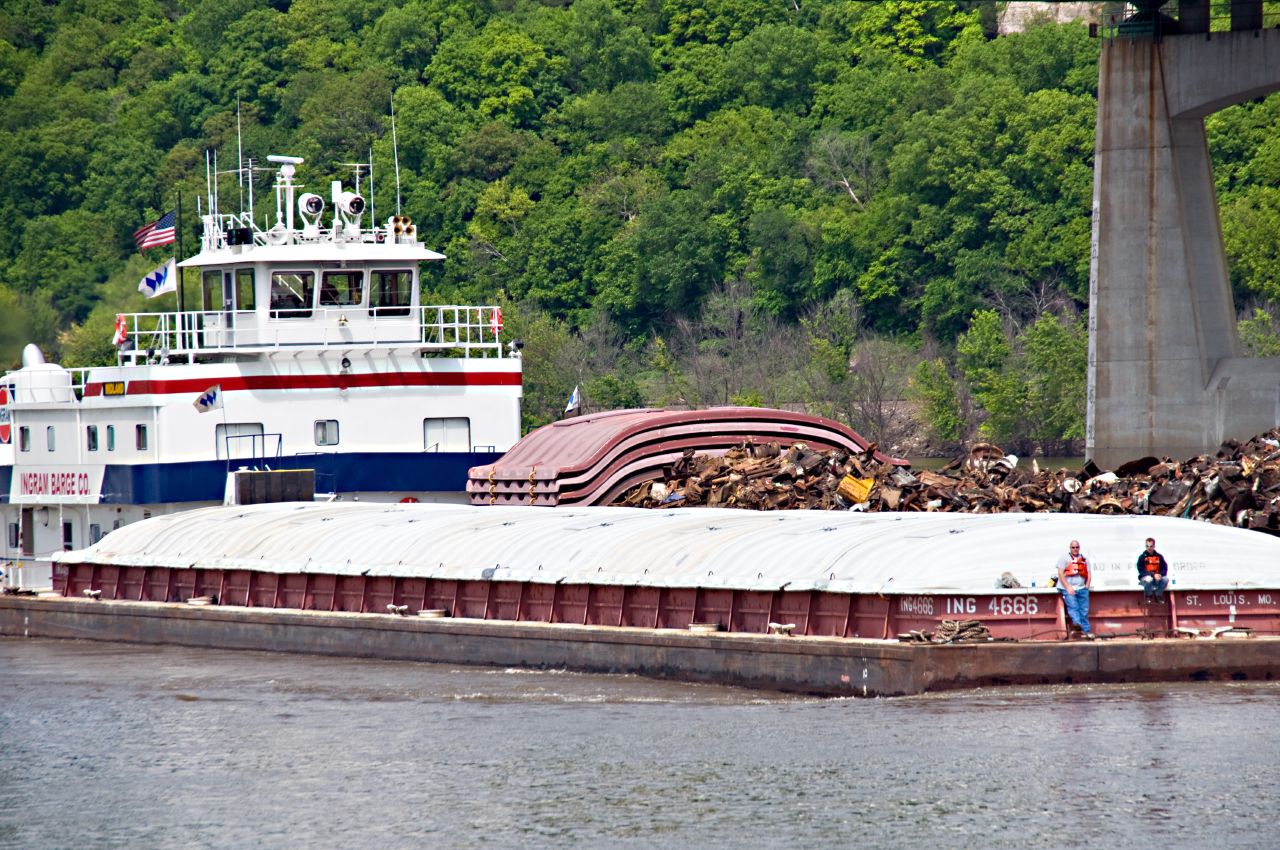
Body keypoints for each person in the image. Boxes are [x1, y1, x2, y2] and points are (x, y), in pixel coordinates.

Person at [1056, 539, 1093, 638]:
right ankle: (1078, 627)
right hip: (1069, 589)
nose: (1075, 549)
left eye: (1077, 547)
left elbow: (1089, 573)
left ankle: (1086, 631)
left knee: (1084, 610)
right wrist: (1068, 587)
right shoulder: (1064, 558)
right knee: (1074, 608)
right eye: (1073, 547)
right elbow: (1060, 573)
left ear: (1079, 548)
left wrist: (1087, 586)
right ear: (1070, 548)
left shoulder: (1085, 559)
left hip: (1082, 588)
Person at [1136, 537, 1169, 603]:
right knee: (1149, 579)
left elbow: (1164, 568)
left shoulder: (1159, 556)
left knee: (1165, 579)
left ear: (1154, 546)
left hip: (1157, 578)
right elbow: (1142, 571)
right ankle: (1149, 596)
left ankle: (1158, 595)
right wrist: (1153, 575)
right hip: (1146, 579)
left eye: (1151, 546)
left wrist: (1160, 574)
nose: (1149, 548)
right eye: (1147, 546)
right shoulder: (1142, 557)